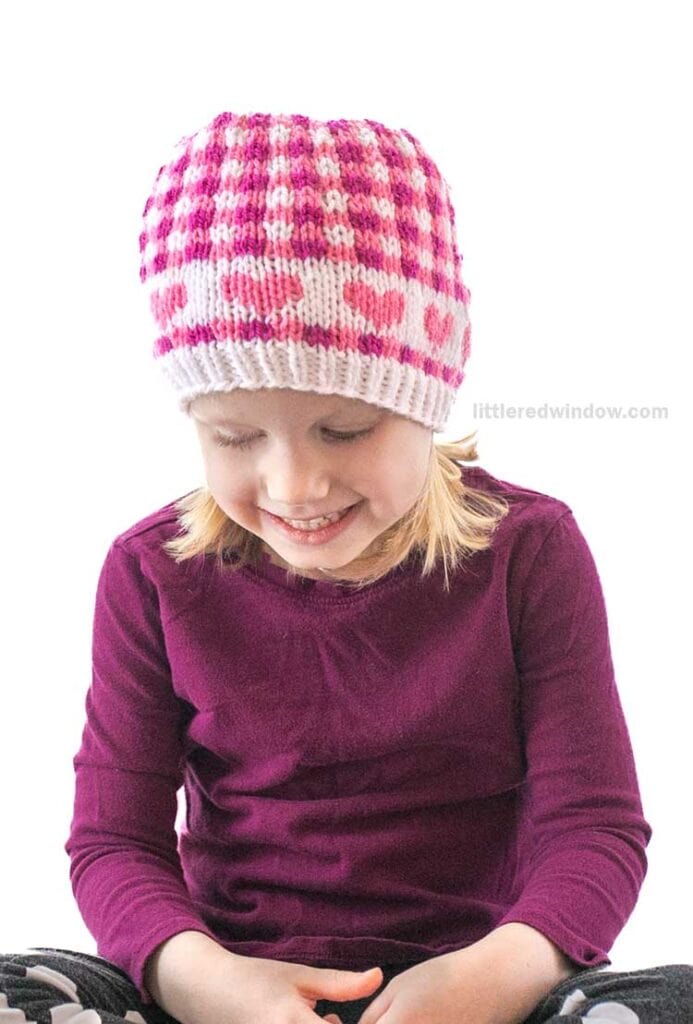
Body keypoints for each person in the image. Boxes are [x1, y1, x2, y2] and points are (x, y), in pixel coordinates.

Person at [1, 110, 690, 1024]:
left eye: (346, 430)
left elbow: (594, 831)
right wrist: (205, 983)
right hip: (224, 990)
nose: (294, 484)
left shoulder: (529, 550)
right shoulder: (150, 572)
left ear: (427, 399)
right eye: (234, 436)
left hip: (481, 990)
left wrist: (489, 981)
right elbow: (113, 842)